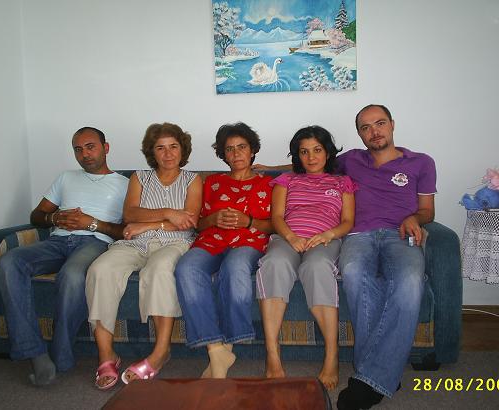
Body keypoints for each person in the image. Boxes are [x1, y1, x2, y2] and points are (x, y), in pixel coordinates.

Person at [0, 127, 129, 386]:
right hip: (56, 241)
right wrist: (54, 218)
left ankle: (60, 355)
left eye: (90, 147)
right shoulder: (66, 177)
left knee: (72, 274)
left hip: (95, 242)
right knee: (9, 262)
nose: (84, 154)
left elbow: (125, 230)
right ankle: (35, 352)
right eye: (78, 149)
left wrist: (92, 223)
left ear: (106, 147)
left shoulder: (125, 184)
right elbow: (37, 216)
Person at [86, 122, 202, 390]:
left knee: (159, 269)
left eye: (173, 146)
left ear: (182, 149)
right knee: (100, 269)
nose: (168, 153)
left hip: (175, 243)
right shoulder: (139, 178)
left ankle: (161, 352)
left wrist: (147, 224)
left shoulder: (193, 180)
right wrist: (169, 213)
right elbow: (130, 214)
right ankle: (106, 354)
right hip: (135, 243)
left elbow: (190, 221)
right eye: (160, 148)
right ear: (152, 152)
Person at [336, 105, 436, 410]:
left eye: (379, 123)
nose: (374, 131)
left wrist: (414, 218)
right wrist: (267, 167)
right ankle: (383, 375)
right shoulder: (349, 160)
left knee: (410, 281)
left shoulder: (421, 162)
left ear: (392, 124)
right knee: (352, 271)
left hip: (400, 234)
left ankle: (370, 378)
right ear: (359, 133)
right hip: (359, 235)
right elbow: (309, 163)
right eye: (365, 127)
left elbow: (428, 210)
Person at [256, 126, 356, 391]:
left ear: (327, 152)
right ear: (297, 155)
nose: (311, 157)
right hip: (288, 238)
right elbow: (277, 217)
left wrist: (328, 235)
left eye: (317, 150)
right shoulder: (286, 180)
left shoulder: (342, 182)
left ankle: (332, 356)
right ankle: (272, 354)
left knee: (317, 266)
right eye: (304, 152)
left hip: (325, 240)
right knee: (273, 264)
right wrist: (291, 237)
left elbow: (348, 221)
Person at [174, 122, 273, 379]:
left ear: (252, 150)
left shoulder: (269, 184)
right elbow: (198, 223)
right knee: (186, 268)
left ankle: (228, 345)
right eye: (230, 149)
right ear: (223, 154)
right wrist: (213, 218)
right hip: (211, 240)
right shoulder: (212, 182)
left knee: (234, 266)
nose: (236, 153)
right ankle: (215, 348)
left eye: (242, 147)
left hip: (249, 242)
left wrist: (249, 221)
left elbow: (276, 225)